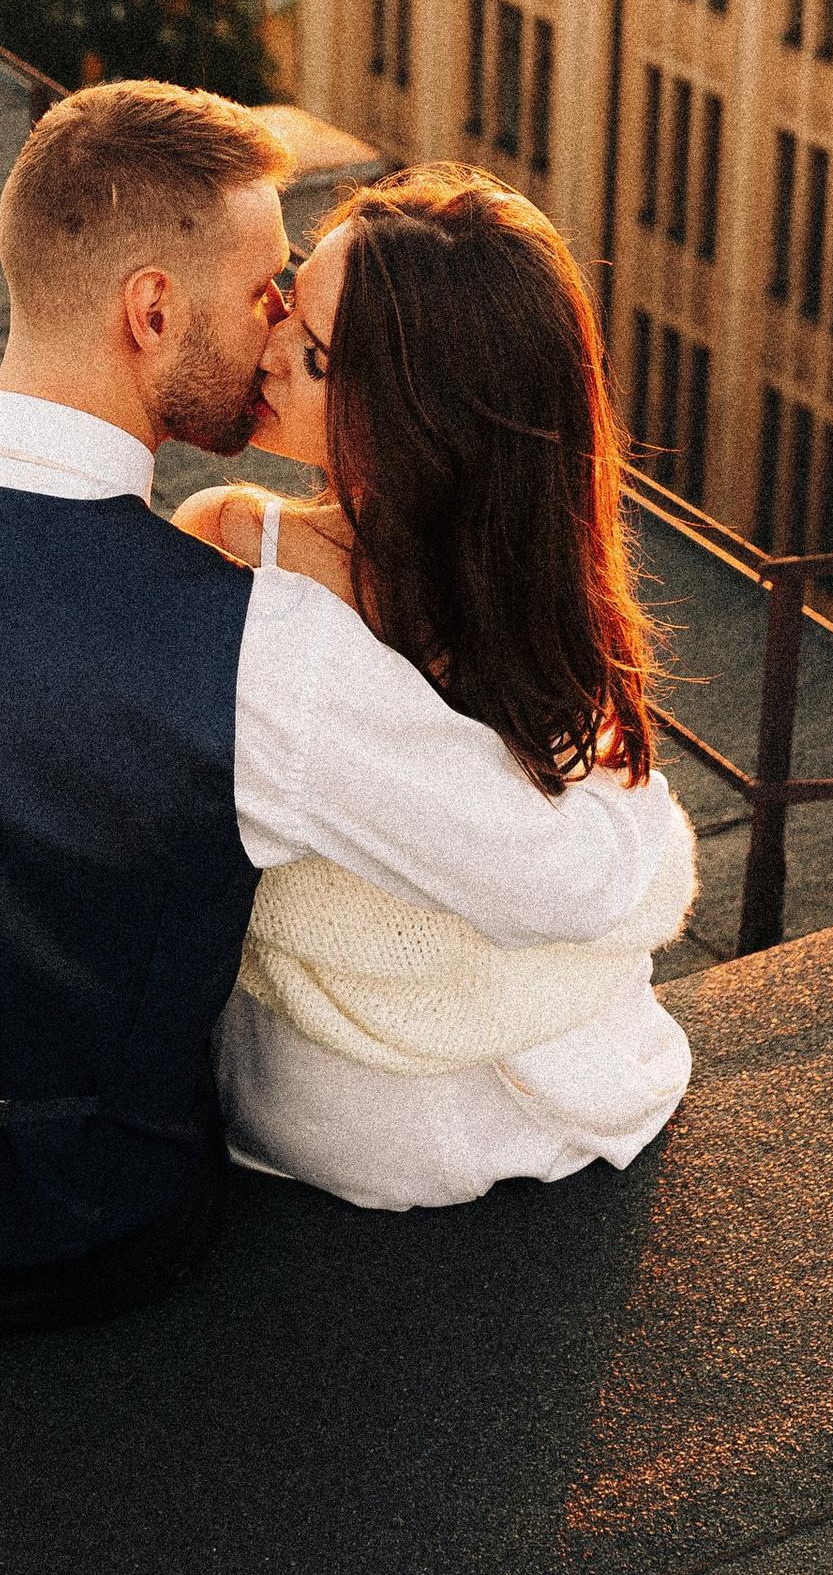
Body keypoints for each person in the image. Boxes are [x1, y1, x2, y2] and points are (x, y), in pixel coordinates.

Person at [0, 80, 680, 1344]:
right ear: (153, 309)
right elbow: (569, 876)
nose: (276, 323)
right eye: (265, 287)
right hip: (109, 1234)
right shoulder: (259, 649)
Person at [176, 165, 696, 1213]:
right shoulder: (242, 546)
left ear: (423, 422)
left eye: (316, 359)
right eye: (286, 299)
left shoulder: (245, 551)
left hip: (393, 1117)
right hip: (466, 1104)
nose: (269, 350)